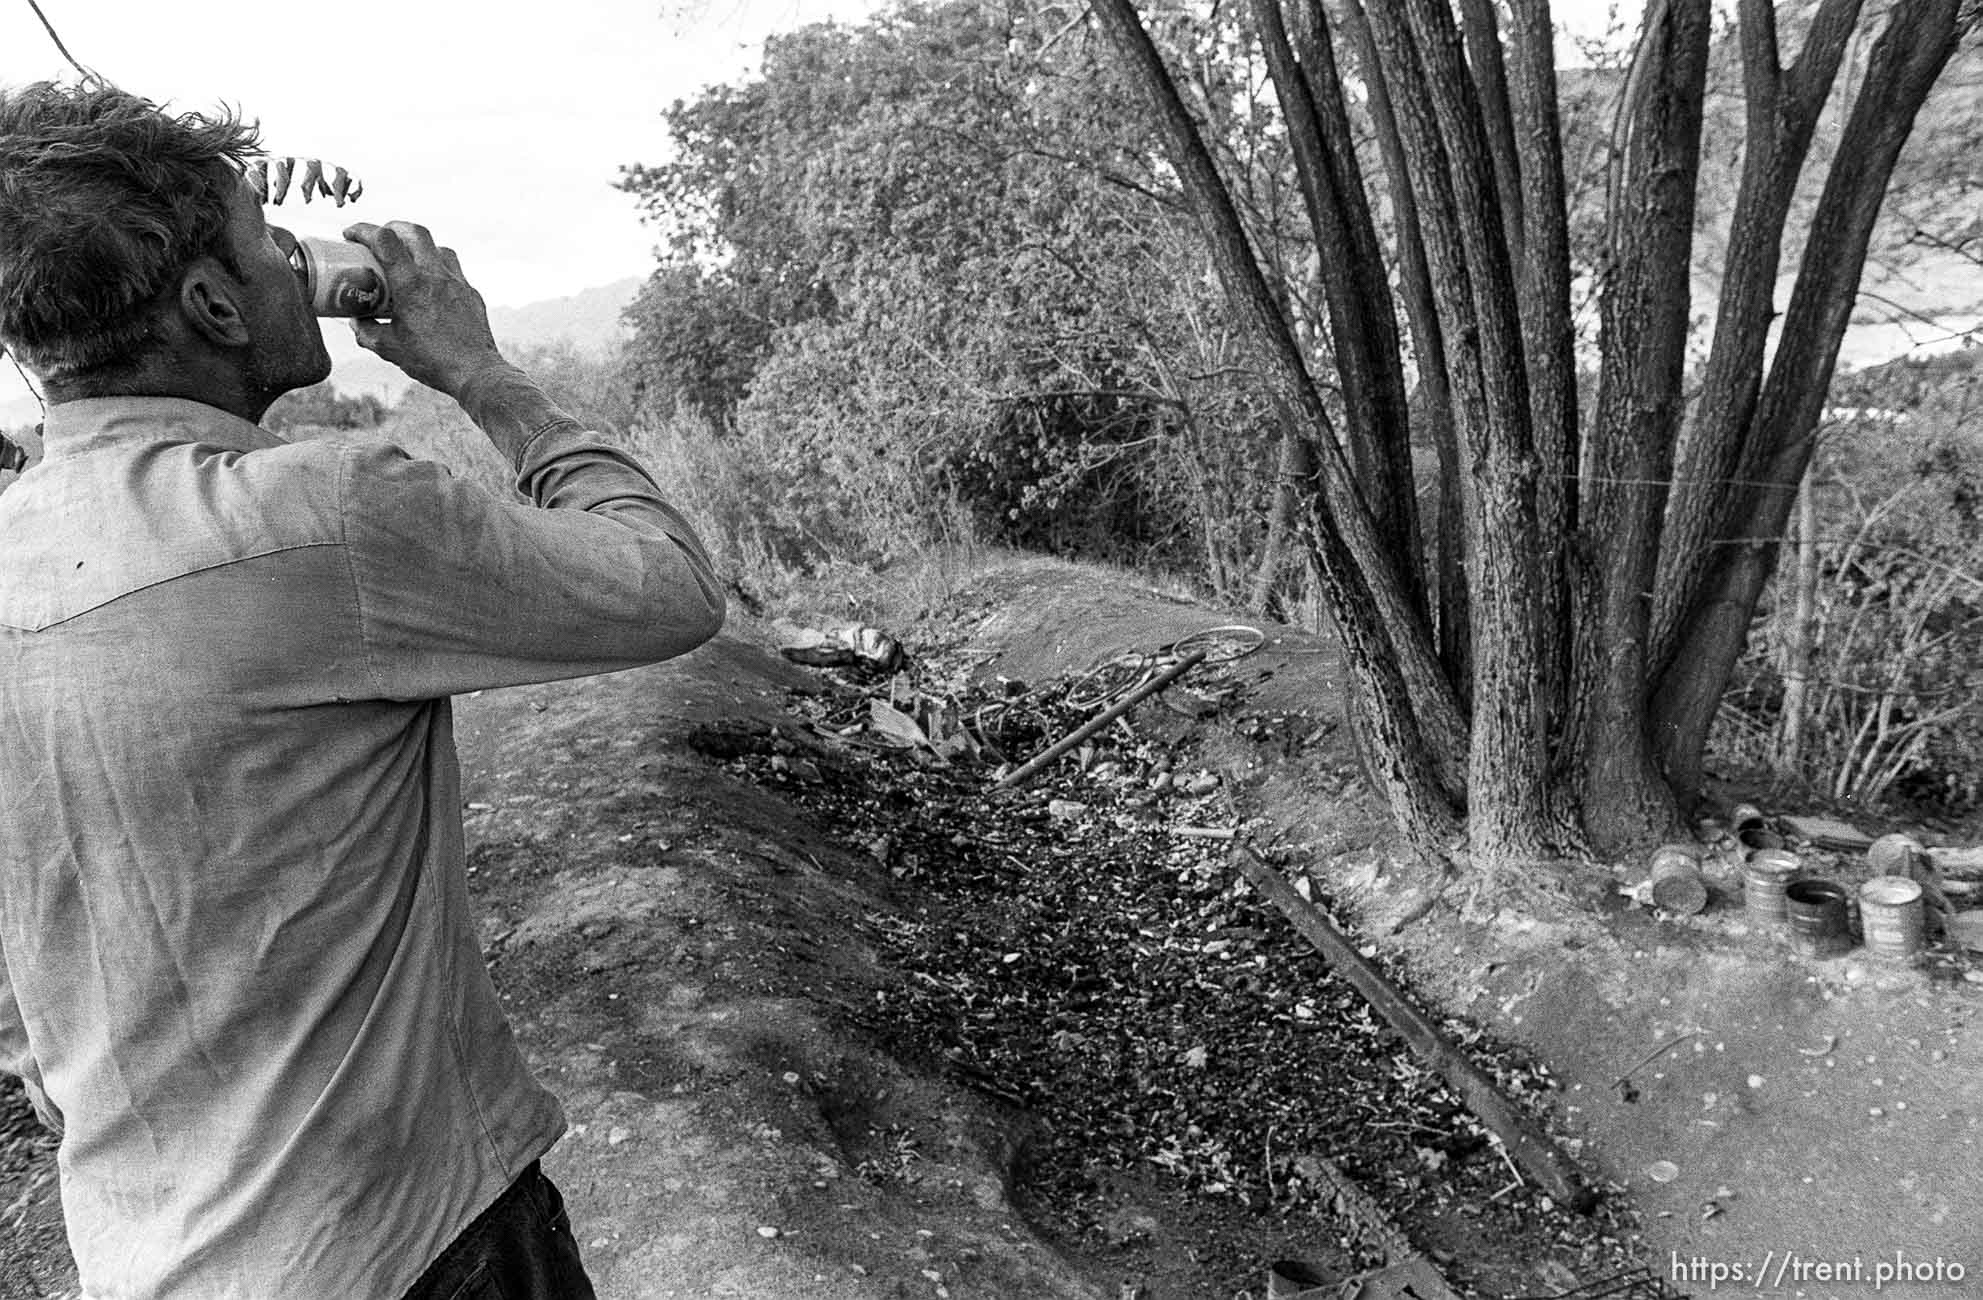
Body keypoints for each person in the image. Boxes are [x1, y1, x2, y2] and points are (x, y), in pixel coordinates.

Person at [0, 80, 725, 1298]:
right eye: (272, 248)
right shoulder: (330, 516)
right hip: (409, 1240)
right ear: (215, 306)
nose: (301, 271)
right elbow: (667, 583)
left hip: (145, 1261)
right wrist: (484, 375)